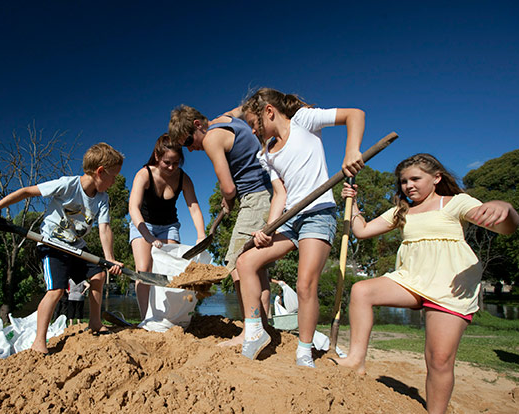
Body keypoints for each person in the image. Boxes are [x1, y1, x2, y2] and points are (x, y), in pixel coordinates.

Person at [335, 153, 519, 414]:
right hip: (411, 280)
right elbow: (361, 231)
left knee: (439, 359)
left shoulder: (455, 203)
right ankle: (355, 360)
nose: (408, 185)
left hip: (449, 287)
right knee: (362, 290)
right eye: (403, 181)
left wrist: (506, 208)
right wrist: (354, 205)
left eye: (415, 179)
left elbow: (506, 228)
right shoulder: (402, 211)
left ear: (436, 178)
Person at [235, 87, 366, 362]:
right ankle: (255, 330)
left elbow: (355, 115)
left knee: (305, 283)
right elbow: (280, 195)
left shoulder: (304, 121)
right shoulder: (266, 154)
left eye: (253, 124)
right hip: (289, 218)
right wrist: (268, 229)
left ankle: (304, 351)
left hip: (318, 213)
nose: (253, 131)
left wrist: (351, 150)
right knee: (245, 262)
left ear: (269, 112)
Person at [0, 143, 124, 355]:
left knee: (98, 275)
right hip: (52, 246)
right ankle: (39, 340)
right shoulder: (67, 185)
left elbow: (105, 229)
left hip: (76, 248)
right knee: (56, 290)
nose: (114, 182)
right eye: (113, 176)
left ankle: (94, 322)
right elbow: (27, 192)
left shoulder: (102, 198)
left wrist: (109, 258)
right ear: (100, 172)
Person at [168, 105, 273, 343]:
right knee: (257, 267)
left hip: (255, 198)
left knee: (236, 264)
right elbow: (247, 105)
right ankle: (264, 327)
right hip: (269, 194)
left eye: (187, 141)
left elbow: (228, 188)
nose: (191, 149)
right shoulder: (224, 119)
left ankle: (251, 330)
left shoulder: (211, 138)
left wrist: (228, 199)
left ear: (197, 125)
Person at [128, 133, 206, 319]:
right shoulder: (144, 174)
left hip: (169, 226)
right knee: (144, 270)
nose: (171, 167)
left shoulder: (183, 178)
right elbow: (133, 207)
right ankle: (146, 318)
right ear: (157, 156)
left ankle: (167, 316)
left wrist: (201, 235)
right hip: (143, 224)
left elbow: (193, 207)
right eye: (167, 162)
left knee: (170, 270)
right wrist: (148, 237)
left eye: (176, 163)